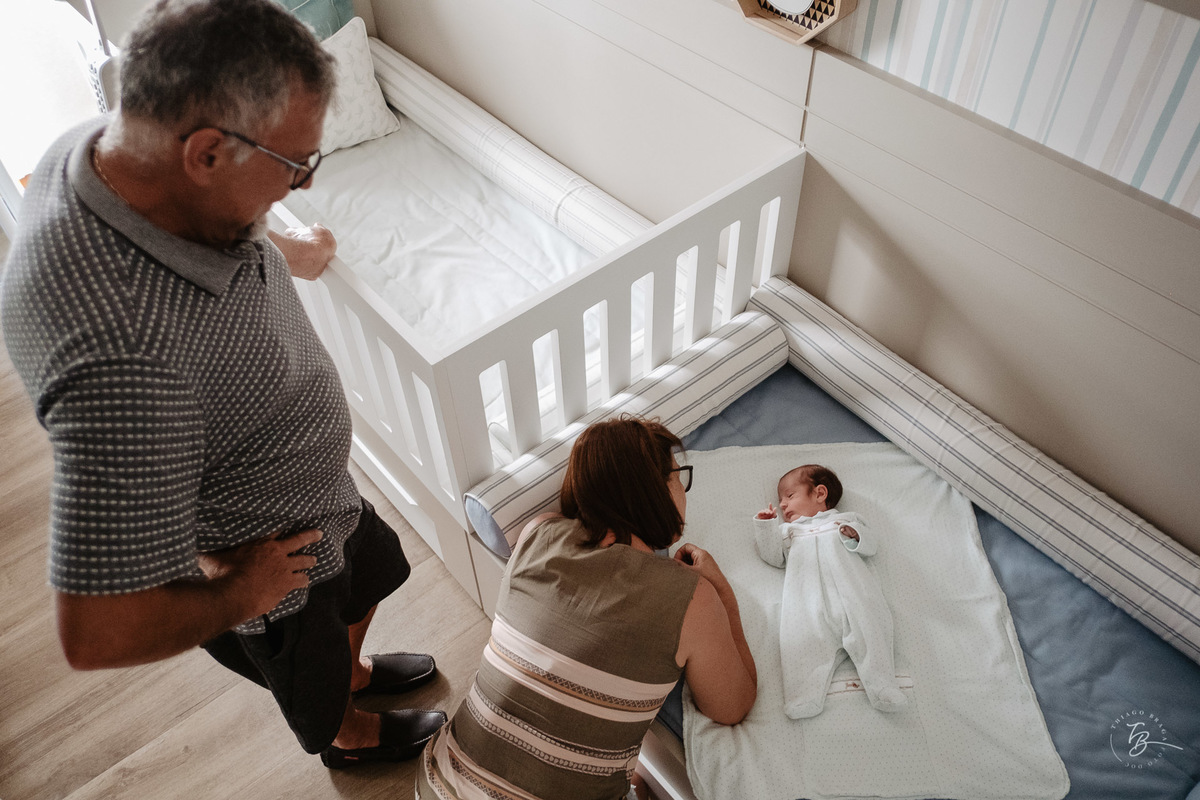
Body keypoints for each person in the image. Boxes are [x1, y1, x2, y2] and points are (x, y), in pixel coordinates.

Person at [1, 0, 444, 768]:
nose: (302, 186)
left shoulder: (114, 150)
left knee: (367, 584)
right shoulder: (116, 355)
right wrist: (246, 591)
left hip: (321, 497)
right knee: (312, 661)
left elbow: (217, 210)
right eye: (295, 165)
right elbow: (98, 628)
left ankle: (355, 674)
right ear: (206, 153)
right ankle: (346, 730)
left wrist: (282, 247)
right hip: (276, 562)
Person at [416, 415, 756, 800]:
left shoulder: (536, 534)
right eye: (679, 477)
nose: (684, 491)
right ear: (655, 488)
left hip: (436, 781)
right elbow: (733, 706)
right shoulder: (692, 598)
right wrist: (721, 590)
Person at [753, 464, 907, 719]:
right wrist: (766, 527)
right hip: (806, 603)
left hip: (855, 595)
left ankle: (883, 686)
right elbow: (772, 557)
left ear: (820, 493)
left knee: (872, 632)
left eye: (790, 496)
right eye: (781, 500)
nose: (782, 505)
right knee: (801, 644)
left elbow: (871, 546)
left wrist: (855, 535)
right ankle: (803, 696)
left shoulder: (847, 520)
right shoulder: (789, 532)